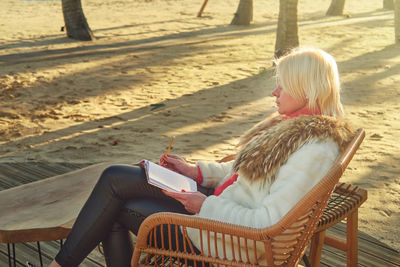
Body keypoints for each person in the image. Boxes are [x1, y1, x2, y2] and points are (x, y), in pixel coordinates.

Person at [49, 47, 355, 267]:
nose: (274, 93)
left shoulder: (313, 151)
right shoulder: (292, 128)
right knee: (116, 177)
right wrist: (195, 172)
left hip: (231, 241)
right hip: (224, 207)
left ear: (308, 89)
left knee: (114, 205)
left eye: (283, 86)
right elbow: (244, 171)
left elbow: (268, 225)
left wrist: (204, 204)